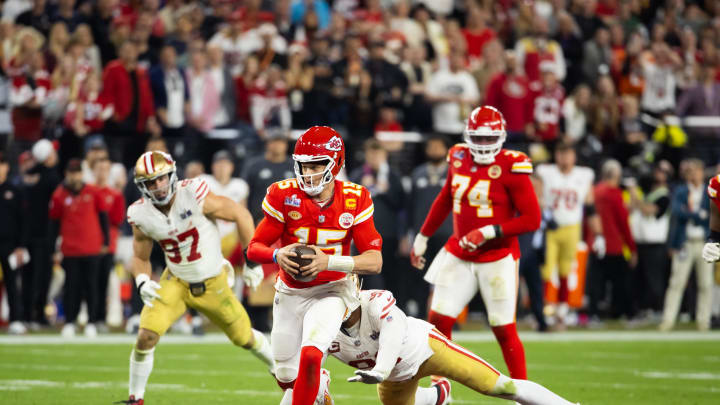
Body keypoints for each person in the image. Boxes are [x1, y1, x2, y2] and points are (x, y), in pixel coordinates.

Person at [119, 150, 271, 404]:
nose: (157, 186)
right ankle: (136, 398)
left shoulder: (193, 193)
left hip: (213, 280)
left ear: (172, 176)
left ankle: (279, 369)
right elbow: (140, 257)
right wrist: (142, 280)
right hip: (176, 280)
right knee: (146, 335)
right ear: (142, 186)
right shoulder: (140, 213)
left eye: (161, 179)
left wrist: (252, 260)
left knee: (244, 338)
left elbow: (240, 215)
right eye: (150, 182)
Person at [246, 126, 383, 405]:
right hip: (291, 291)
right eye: (304, 166)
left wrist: (328, 262)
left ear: (336, 163)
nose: (308, 174)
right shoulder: (283, 195)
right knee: (285, 375)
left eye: (316, 165)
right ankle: (320, 389)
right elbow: (253, 248)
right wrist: (277, 255)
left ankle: (314, 382)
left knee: (311, 355)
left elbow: (375, 261)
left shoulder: (355, 198)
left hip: (333, 290)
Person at [410, 106, 541, 380]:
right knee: (437, 321)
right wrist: (422, 236)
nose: (482, 144)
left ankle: (523, 393)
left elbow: (532, 219)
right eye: (477, 138)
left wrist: (489, 231)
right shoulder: (458, 155)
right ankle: (440, 387)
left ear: (501, 137)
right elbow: (446, 197)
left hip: (498, 256)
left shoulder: (512, 165)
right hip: (459, 252)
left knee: (503, 328)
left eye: (488, 138)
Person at [332, 288, 578, 405]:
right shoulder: (320, 328)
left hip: (427, 349)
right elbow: (303, 370)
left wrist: (381, 369)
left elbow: (393, 336)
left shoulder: (376, 302)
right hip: (395, 377)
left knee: (499, 385)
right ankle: (438, 395)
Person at [535, 143, 602, 326]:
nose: (564, 158)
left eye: (568, 153)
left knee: (566, 268)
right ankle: (544, 309)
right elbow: (537, 198)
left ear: (574, 156)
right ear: (555, 155)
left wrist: (598, 234)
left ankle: (562, 309)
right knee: (546, 269)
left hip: (572, 226)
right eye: (561, 153)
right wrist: (544, 216)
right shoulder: (545, 172)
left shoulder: (584, 175)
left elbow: (590, 206)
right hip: (549, 227)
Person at [49, 158, 109, 338]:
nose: (75, 176)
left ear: (82, 174)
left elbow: (103, 218)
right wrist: (54, 248)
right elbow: (53, 223)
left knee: (91, 286)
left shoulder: (93, 192)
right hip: (70, 249)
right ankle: (69, 321)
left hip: (91, 248)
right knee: (71, 287)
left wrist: (105, 241)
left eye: (77, 172)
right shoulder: (59, 195)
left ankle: (91, 321)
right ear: (66, 173)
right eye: (71, 172)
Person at [661, 159, 711, 331]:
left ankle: (703, 322)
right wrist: (699, 215)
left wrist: (691, 214)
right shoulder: (681, 191)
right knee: (677, 283)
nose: (693, 174)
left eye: (696, 171)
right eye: (690, 171)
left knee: (706, 284)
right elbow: (676, 212)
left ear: (702, 172)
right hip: (685, 242)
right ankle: (668, 321)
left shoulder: (710, 191)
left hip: (705, 243)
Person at [407, 136, 452, 318]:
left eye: (437, 146)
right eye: (431, 146)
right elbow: (409, 206)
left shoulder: (454, 173)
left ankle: (448, 316)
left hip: (447, 233)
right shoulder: (418, 173)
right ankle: (419, 316)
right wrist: (408, 233)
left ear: (446, 150)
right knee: (420, 277)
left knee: (447, 277)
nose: (434, 150)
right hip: (422, 235)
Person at [588, 159, 637, 321]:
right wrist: (632, 248)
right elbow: (623, 223)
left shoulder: (594, 191)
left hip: (595, 243)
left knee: (596, 282)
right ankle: (624, 313)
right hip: (613, 245)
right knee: (621, 282)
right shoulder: (615, 195)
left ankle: (593, 314)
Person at [0, 151, 28, 334]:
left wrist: (21, 246)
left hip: (9, 244)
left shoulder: (14, 191)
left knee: (12, 282)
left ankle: (16, 319)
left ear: (7, 166)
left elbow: (24, 220)